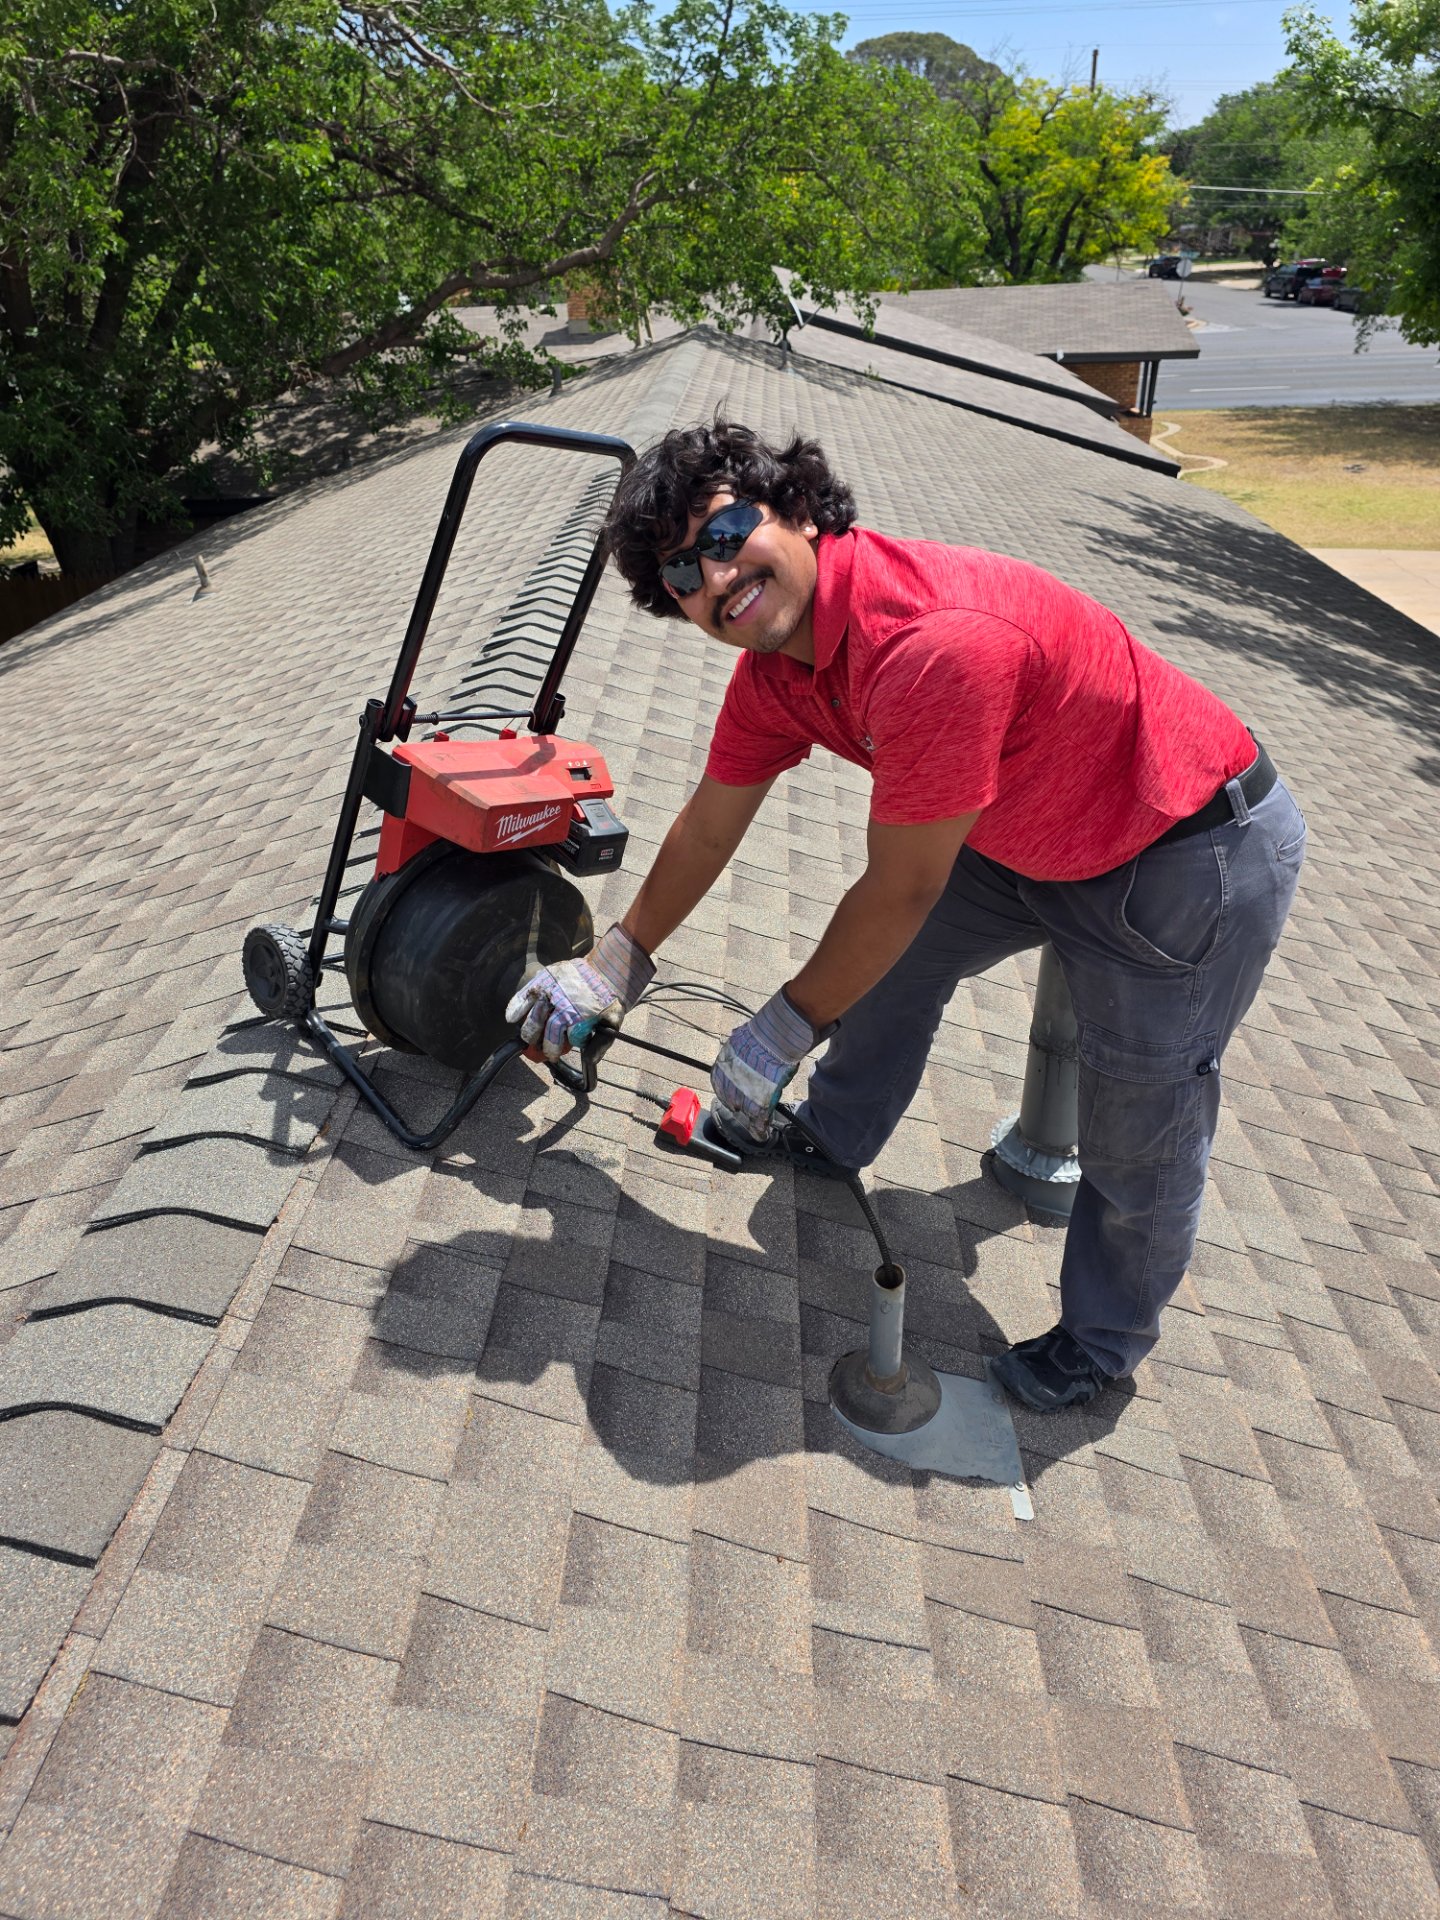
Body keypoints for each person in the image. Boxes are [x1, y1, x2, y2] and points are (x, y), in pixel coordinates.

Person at [505, 421, 1306, 1411]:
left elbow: (902, 886)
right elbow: (709, 829)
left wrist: (783, 1025)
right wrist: (615, 962)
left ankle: (1101, 1344)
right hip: (1025, 834)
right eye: (680, 572)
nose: (711, 579)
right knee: (888, 968)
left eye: (722, 536)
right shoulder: (778, 672)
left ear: (795, 506)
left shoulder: (932, 646)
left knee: (1141, 1120)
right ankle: (832, 1133)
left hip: (1180, 850)